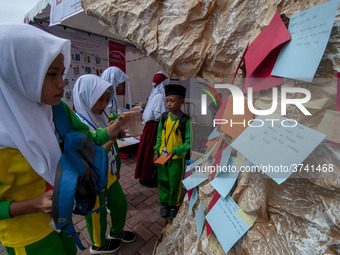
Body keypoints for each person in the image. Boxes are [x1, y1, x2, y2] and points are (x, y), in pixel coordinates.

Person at [0, 23, 125, 255]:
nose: (62, 84)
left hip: (61, 222)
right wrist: (34, 204)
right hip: (29, 238)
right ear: (18, 74)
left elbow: (88, 140)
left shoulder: (55, 110)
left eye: (61, 73)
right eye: (51, 74)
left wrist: (115, 128)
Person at [73, 74, 136, 254]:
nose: (104, 104)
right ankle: (98, 244)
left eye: (107, 99)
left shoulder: (102, 116)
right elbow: (96, 152)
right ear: (86, 98)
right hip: (92, 177)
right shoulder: (80, 124)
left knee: (120, 203)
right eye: (100, 99)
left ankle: (116, 232)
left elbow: (115, 135)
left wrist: (120, 130)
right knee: (96, 212)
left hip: (108, 173)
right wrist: (114, 133)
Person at [154, 84, 191, 220]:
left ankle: (174, 204)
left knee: (175, 182)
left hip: (176, 159)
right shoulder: (164, 118)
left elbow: (188, 142)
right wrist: (156, 151)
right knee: (163, 180)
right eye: (167, 100)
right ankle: (164, 203)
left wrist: (175, 151)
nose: (168, 104)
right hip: (163, 156)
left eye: (172, 101)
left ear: (181, 102)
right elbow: (159, 136)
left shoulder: (185, 121)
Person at [135, 71, 169, 187]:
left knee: (146, 152)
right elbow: (158, 115)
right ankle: (146, 178)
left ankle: (144, 176)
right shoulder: (159, 96)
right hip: (154, 127)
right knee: (151, 153)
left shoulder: (154, 94)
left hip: (149, 127)